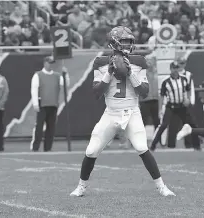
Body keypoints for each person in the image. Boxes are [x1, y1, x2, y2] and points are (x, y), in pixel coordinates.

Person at [70, 26, 175, 197]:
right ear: (114, 42)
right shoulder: (101, 62)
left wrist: (131, 74)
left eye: (129, 42)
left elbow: (144, 92)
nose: (127, 45)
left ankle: (162, 187)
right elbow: (96, 93)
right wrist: (109, 73)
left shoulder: (139, 61)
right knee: (91, 151)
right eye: (124, 41)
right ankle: (81, 186)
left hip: (132, 111)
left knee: (142, 147)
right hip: (111, 112)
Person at [149, 60, 193, 150]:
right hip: (171, 106)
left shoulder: (184, 79)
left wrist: (188, 99)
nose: (175, 70)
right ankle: (153, 144)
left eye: (176, 68)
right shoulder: (166, 82)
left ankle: (189, 145)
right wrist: (160, 109)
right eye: (173, 68)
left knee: (187, 124)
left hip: (181, 106)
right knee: (164, 125)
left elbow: (188, 89)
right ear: (170, 69)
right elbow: (161, 96)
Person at [30, 56, 64, 152]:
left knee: (51, 127)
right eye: (49, 63)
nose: (51, 65)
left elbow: (65, 84)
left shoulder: (57, 75)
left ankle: (48, 147)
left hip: (53, 104)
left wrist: (66, 74)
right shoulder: (38, 75)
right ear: (45, 63)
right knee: (39, 127)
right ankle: (35, 147)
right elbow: (34, 89)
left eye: (52, 63)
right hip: (42, 104)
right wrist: (35, 103)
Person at [176, 56, 201, 150]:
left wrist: (191, 101)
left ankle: (195, 144)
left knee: (191, 124)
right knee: (178, 124)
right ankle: (181, 144)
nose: (181, 65)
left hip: (186, 102)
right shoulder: (174, 74)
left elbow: (192, 88)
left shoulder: (188, 74)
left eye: (183, 63)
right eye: (180, 63)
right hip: (176, 102)